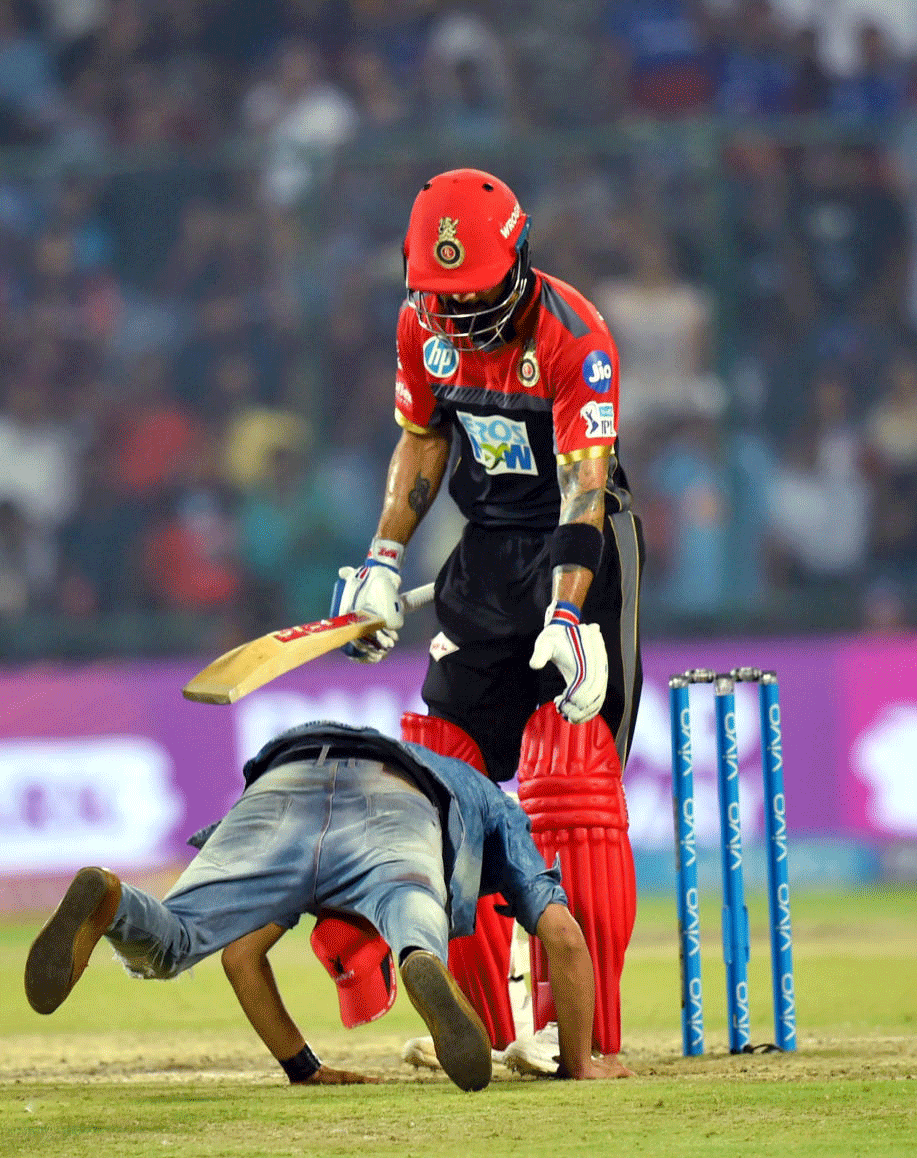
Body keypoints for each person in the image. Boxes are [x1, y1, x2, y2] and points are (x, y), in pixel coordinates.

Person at [330, 168, 644, 1075]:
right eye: (438, 301)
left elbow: (586, 486)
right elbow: (423, 438)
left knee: (570, 792)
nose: (456, 322)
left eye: (470, 301)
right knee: (434, 775)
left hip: (584, 553)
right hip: (485, 549)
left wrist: (567, 615)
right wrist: (384, 562)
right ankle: (477, 1025)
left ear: (519, 261)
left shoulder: (574, 336)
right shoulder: (418, 329)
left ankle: (587, 1041)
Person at [24, 720, 629, 1091]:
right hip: (400, 794)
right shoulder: (495, 809)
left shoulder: (306, 893)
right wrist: (580, 1062)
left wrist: (302, 1067)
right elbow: (565, 937)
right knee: (410, 901)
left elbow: (242, 959)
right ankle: (418, 951)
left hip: (282, 781)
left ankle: (112, 900)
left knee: (174, 940)